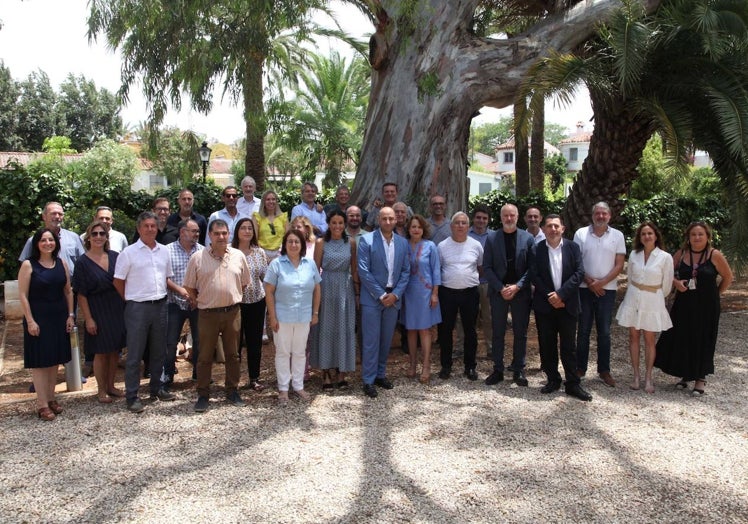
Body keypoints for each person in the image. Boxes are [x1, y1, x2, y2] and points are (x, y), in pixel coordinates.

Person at [114, 211, 186, 413]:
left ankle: (157, 388)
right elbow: (118, 281)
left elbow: (166, 278)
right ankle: (132, 395)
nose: (150, 229)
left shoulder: (164, 251)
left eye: (153, 226)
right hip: (137, 307)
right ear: (139, 229)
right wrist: (130, 299)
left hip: (161, 305)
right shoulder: (128, 253)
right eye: (146, 226)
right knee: (135, 353)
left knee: (158, 351)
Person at [655, 221, 734, 395]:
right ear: (688, 238)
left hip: (707, 306)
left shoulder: (715, 255)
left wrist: (715, 294)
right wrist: (675, 282)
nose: (697, 237)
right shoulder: (682, 253)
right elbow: (665, 272)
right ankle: (686, 374)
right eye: (693, 235)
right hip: (684, 304)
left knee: (704, 339)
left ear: (707, 237)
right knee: (684, 337)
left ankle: (700, 378)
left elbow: (728, 277)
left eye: (700, 234)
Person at [184, 219, 250, 413]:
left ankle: (232, 391)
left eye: (224, 233)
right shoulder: (197, 257)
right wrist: (198, 300)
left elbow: (244, 282)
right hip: (207, 314)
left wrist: (231, 296)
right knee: (204, 356)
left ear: (229, 234)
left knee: (233, 355)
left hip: (232, 313)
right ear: (210, 236)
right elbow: (188, 285)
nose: (221, 237)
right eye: (217, 233)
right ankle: (203, 394)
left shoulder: (238, 255)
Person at [531, 214, 592, 401]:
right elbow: (535, 275)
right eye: (549, 226)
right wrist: (552, 296)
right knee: (547, 344)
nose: (553, 229)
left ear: (563, 229)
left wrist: (561, 294)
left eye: (556, 226)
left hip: (568, 304)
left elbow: (579, 272)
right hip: (546, 305)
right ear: (544, 229)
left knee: (569, 346)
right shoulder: (537, 249)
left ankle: (572, 384)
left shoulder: (573, 248)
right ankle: (553, 380)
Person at [18, 228, 75, 421]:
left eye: (51, 240)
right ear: (36, 244)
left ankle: (51, 398)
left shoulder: (62, 263)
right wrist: (30, 321)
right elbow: (23, 295)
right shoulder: (28, 265)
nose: (47, 243)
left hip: (59, 318)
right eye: (43, 240)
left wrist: (70, 315)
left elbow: (68, 292)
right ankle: (42, 404)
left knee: (54, 361)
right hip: (38, 320)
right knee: (40, 363)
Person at [358, 207, 410, 398]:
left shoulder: (403, 243)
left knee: (386, 339)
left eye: (391, 219)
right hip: (373, 298)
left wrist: (395, 295)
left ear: (396, 220)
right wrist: (381, 295)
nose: (388, 222)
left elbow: (406, 272)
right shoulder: (366, 240)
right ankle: (368, 380)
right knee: (371, 341)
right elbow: (363, 271)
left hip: (393, 299)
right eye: (384, 219)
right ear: (379, 220)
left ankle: (380, 374)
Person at [264, 230, 321, 405]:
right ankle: (283, 389)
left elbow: (317, 289)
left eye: (297, 242)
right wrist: (272, 317)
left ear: (302, 245)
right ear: (285, 244)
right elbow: (269, 292)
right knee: (282, 353)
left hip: (303, 316)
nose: (293, 245)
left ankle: (298, 386)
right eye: (290, 241)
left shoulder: (309, 264)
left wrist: (315, 313)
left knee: (300, 352)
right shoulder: (276, 264)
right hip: (282, 317)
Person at [615, 222, 673, 393]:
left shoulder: (665, 257)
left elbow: (667, 284)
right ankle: (635, 376)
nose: (647, 236)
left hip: (652, 299)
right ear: (640, 238)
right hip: (633, 297)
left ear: (656, 236)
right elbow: (630, 276)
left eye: (650, 233)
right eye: (643, 234)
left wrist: (655, 297)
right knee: (633, 337)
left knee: (649, 339)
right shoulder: (634, 254)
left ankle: (648, 377)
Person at [73, 221, 126, 403]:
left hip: (117, 308)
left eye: (101, 234)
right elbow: (81, 294)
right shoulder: (82, 262)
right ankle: (101, 390)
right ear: (88, 238)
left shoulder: (115, 256)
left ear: (106, 237)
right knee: (100, 352)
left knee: (114, 351)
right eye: (94, 234)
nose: (98, 237)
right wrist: (88, 319)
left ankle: (111, 386)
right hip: (97, 310)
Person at [573, 201, 625, 387]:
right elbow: (576, 262)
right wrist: (590, 282)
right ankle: (580, 368)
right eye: (598, 213)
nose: (601, 216)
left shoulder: (617, 236)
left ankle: (604, 371)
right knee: (583, 331)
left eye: (604, 213)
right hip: (584, 289)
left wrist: (600, 283)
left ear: (609, 216)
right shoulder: (580, 234)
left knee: (604, 332)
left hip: (607, 290)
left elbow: (619, 264)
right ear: (592, 215)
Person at [482, 204, 534, 387]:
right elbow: (486, 267)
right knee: (498, 332)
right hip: (499, 292)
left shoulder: (528, 239)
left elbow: (532, 268)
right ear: (501, 217)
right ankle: (498, 369)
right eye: (506, 215)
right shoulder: (491, 238)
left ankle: (518, 369)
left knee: (520, 332)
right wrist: (500, 288)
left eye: (512, 215)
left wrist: (517, 287)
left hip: (520, 293)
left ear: (518, 217)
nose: (509, 218)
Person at [311, 210, 359, 389]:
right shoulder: (321, 242)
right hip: (326, 287)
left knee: (344, 328)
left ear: (345, 224)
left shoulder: (351, 243)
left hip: (345, 289)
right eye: (334, 223)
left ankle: (341, 371)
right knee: (326, 328)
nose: (337, 226)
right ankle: (325, 372)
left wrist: (356, 293)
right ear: (328, 224)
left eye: (340, 223)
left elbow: (354, 269)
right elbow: (315, 270)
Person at [437, 212, 483, 381]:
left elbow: (480, 267)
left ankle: (470, 367)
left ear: (468, 226)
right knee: (445, 331)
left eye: (464, 223)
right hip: (447, 293)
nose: (461, 226)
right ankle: (446, 366)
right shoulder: (442, 246)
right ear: (451, 226)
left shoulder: (476, 245)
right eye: (457, 223)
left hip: (470, 293)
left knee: (470, 330)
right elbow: (438, 269)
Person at [402, 215, 441, 384]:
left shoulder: (430, 246)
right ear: (408, 229)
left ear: (423, 229)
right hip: (408, 292)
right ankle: (412, 364)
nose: (416, 229)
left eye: (418, 227)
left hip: (425, 292)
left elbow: (436, 270)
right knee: (410, 330)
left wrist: (435, 293)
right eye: (413, 227)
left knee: (424, 330)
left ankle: (426, 365)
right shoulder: (403, 245)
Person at [232, 217, 269, 391]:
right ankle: (233, 380)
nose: (247, 231)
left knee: (255, 342)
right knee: (235, 343)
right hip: (236, 304)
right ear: (237, 232)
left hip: (257, 302)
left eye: (250, 228)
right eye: (243, 228)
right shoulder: (230, 252)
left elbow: (265, 278)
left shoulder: (259, 252)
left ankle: (254, 378)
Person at [165, 219, 203, 385]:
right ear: (182, 232)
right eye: (193, 231)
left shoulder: (203, 251)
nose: (196, 234)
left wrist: (197, 296)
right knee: (170, 341)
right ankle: (167, 377)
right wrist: (180, 290)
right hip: (174, 302)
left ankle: (199, 375)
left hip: (197, 304)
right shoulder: (167, 251)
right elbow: (163, 277)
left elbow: (206, 278)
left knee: (200, 340)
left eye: (197, 231)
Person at [19, 201, 84, 279]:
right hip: (44, 287)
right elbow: (25, 266)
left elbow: (83, 263)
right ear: (44, 216)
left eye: (60, 214)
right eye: (53, 213)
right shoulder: (33, 241)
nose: (57, 216)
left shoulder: (74, 238)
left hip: (71, 287)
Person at [468, 205, 494, 357]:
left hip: (487, 282)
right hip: (469, 283)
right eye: (478, 217)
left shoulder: (494, 236)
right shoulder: (465, 234)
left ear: (488, 220)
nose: (481, 221)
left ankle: (491, 347)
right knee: (465, 317)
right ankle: (463, 346)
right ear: (473, 218)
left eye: (484, 218)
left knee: (488, 316)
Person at [253, 190, 288, 261]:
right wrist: (264, 256)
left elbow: (288, 237)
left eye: (273, 199)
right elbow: (254, 239)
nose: (271, 201)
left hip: (280, 253)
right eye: (268, 199)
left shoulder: (283, 217)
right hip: (262, 252)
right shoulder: (257, 217)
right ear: (263, 202)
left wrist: (281, 253)